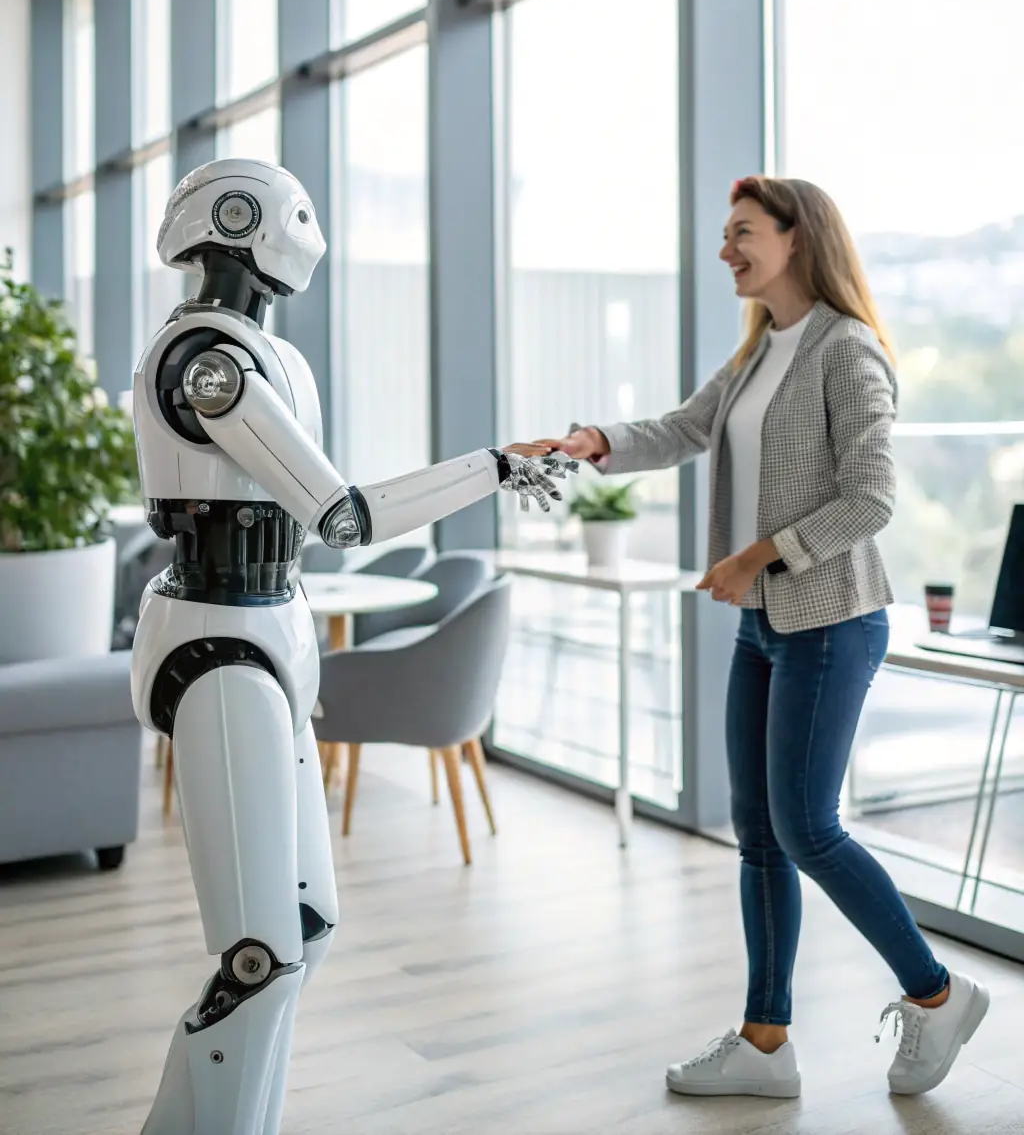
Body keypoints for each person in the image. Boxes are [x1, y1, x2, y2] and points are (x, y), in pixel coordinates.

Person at [130, 157, 572, 1135]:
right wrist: (492, 467)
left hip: (269, 629)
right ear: (244, 220)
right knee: (258, 956)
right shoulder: (206, 358)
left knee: (306, 929)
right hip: (219, 642)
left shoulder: (257, 353)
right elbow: (342, 517)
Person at [532, 175, 989, 1100]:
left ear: (796, 237)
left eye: (742, 232)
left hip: (830, 621)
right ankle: (766, 1041)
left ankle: (938, 993)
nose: (726, 250)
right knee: (761, 837)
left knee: (807, 827)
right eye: (726, 234)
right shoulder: (758, 351)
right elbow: (682, 428)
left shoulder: (846, 349)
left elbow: (871, 498)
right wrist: (592, 441)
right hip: (763, 624)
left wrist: (756, 556)